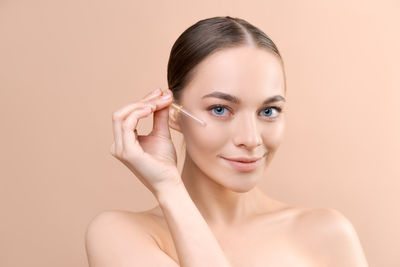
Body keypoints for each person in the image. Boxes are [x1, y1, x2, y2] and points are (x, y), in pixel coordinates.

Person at [85, 16, 369, 267]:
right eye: (220, 109)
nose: (250, 138)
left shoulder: (327, 232)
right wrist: (168, 187)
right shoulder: (120, 235)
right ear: (172, 114)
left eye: (268, 111)